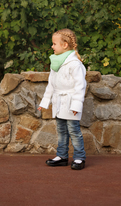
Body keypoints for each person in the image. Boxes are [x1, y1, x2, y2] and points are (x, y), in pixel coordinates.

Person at [38, 28, 87, 170]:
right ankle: (62, 156)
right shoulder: (55, 63)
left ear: (65, 45)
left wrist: (76, 106)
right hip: (59, 103)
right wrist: (44, 102)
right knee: (61, 130)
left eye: (54, 43)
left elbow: (80, 86)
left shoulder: (75, 64)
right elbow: (51, 85)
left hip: (71, 103)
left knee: (74, 131)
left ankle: (79, 158)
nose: (52, 46)